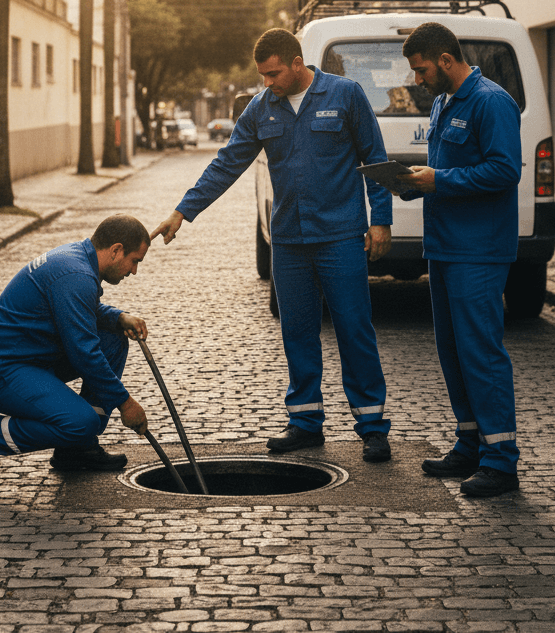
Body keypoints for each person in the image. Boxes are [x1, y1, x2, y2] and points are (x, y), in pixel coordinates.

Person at [152, 28, 394, 463]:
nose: (268, 82)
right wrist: (183, 211)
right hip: (289, 241)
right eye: (262, 75)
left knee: (354, 330)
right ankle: (304, 423)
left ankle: (373, 428)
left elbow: (374, 160)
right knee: (297, 332)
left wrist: (382, 222)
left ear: (297, 63)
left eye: (274, 73)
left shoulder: (345, 94)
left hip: (340, 236)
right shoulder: (261, 109)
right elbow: (227, 163)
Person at [394, 21, 522, 498]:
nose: (418, 79)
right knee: (452, 353)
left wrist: (439, 182)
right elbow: (446, 170)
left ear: (446, 60)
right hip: (445, 247)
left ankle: (501, 462)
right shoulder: (446, 101)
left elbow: (504, 170)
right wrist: (412, 183)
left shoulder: (491, 101)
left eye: (422, 69)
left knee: (481, 354)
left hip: (479, 251)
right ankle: (470, 444)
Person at [0, 214, 151, 484]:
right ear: (116, 250)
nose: (134, 271)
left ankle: (75, 449)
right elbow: (84, 351)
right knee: (81, 422)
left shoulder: (77, 259)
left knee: (113, 339)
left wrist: (116, 317)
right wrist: (125, 403)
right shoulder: (76, 274)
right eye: (135, 261)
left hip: (30, 359)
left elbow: (76, 309)